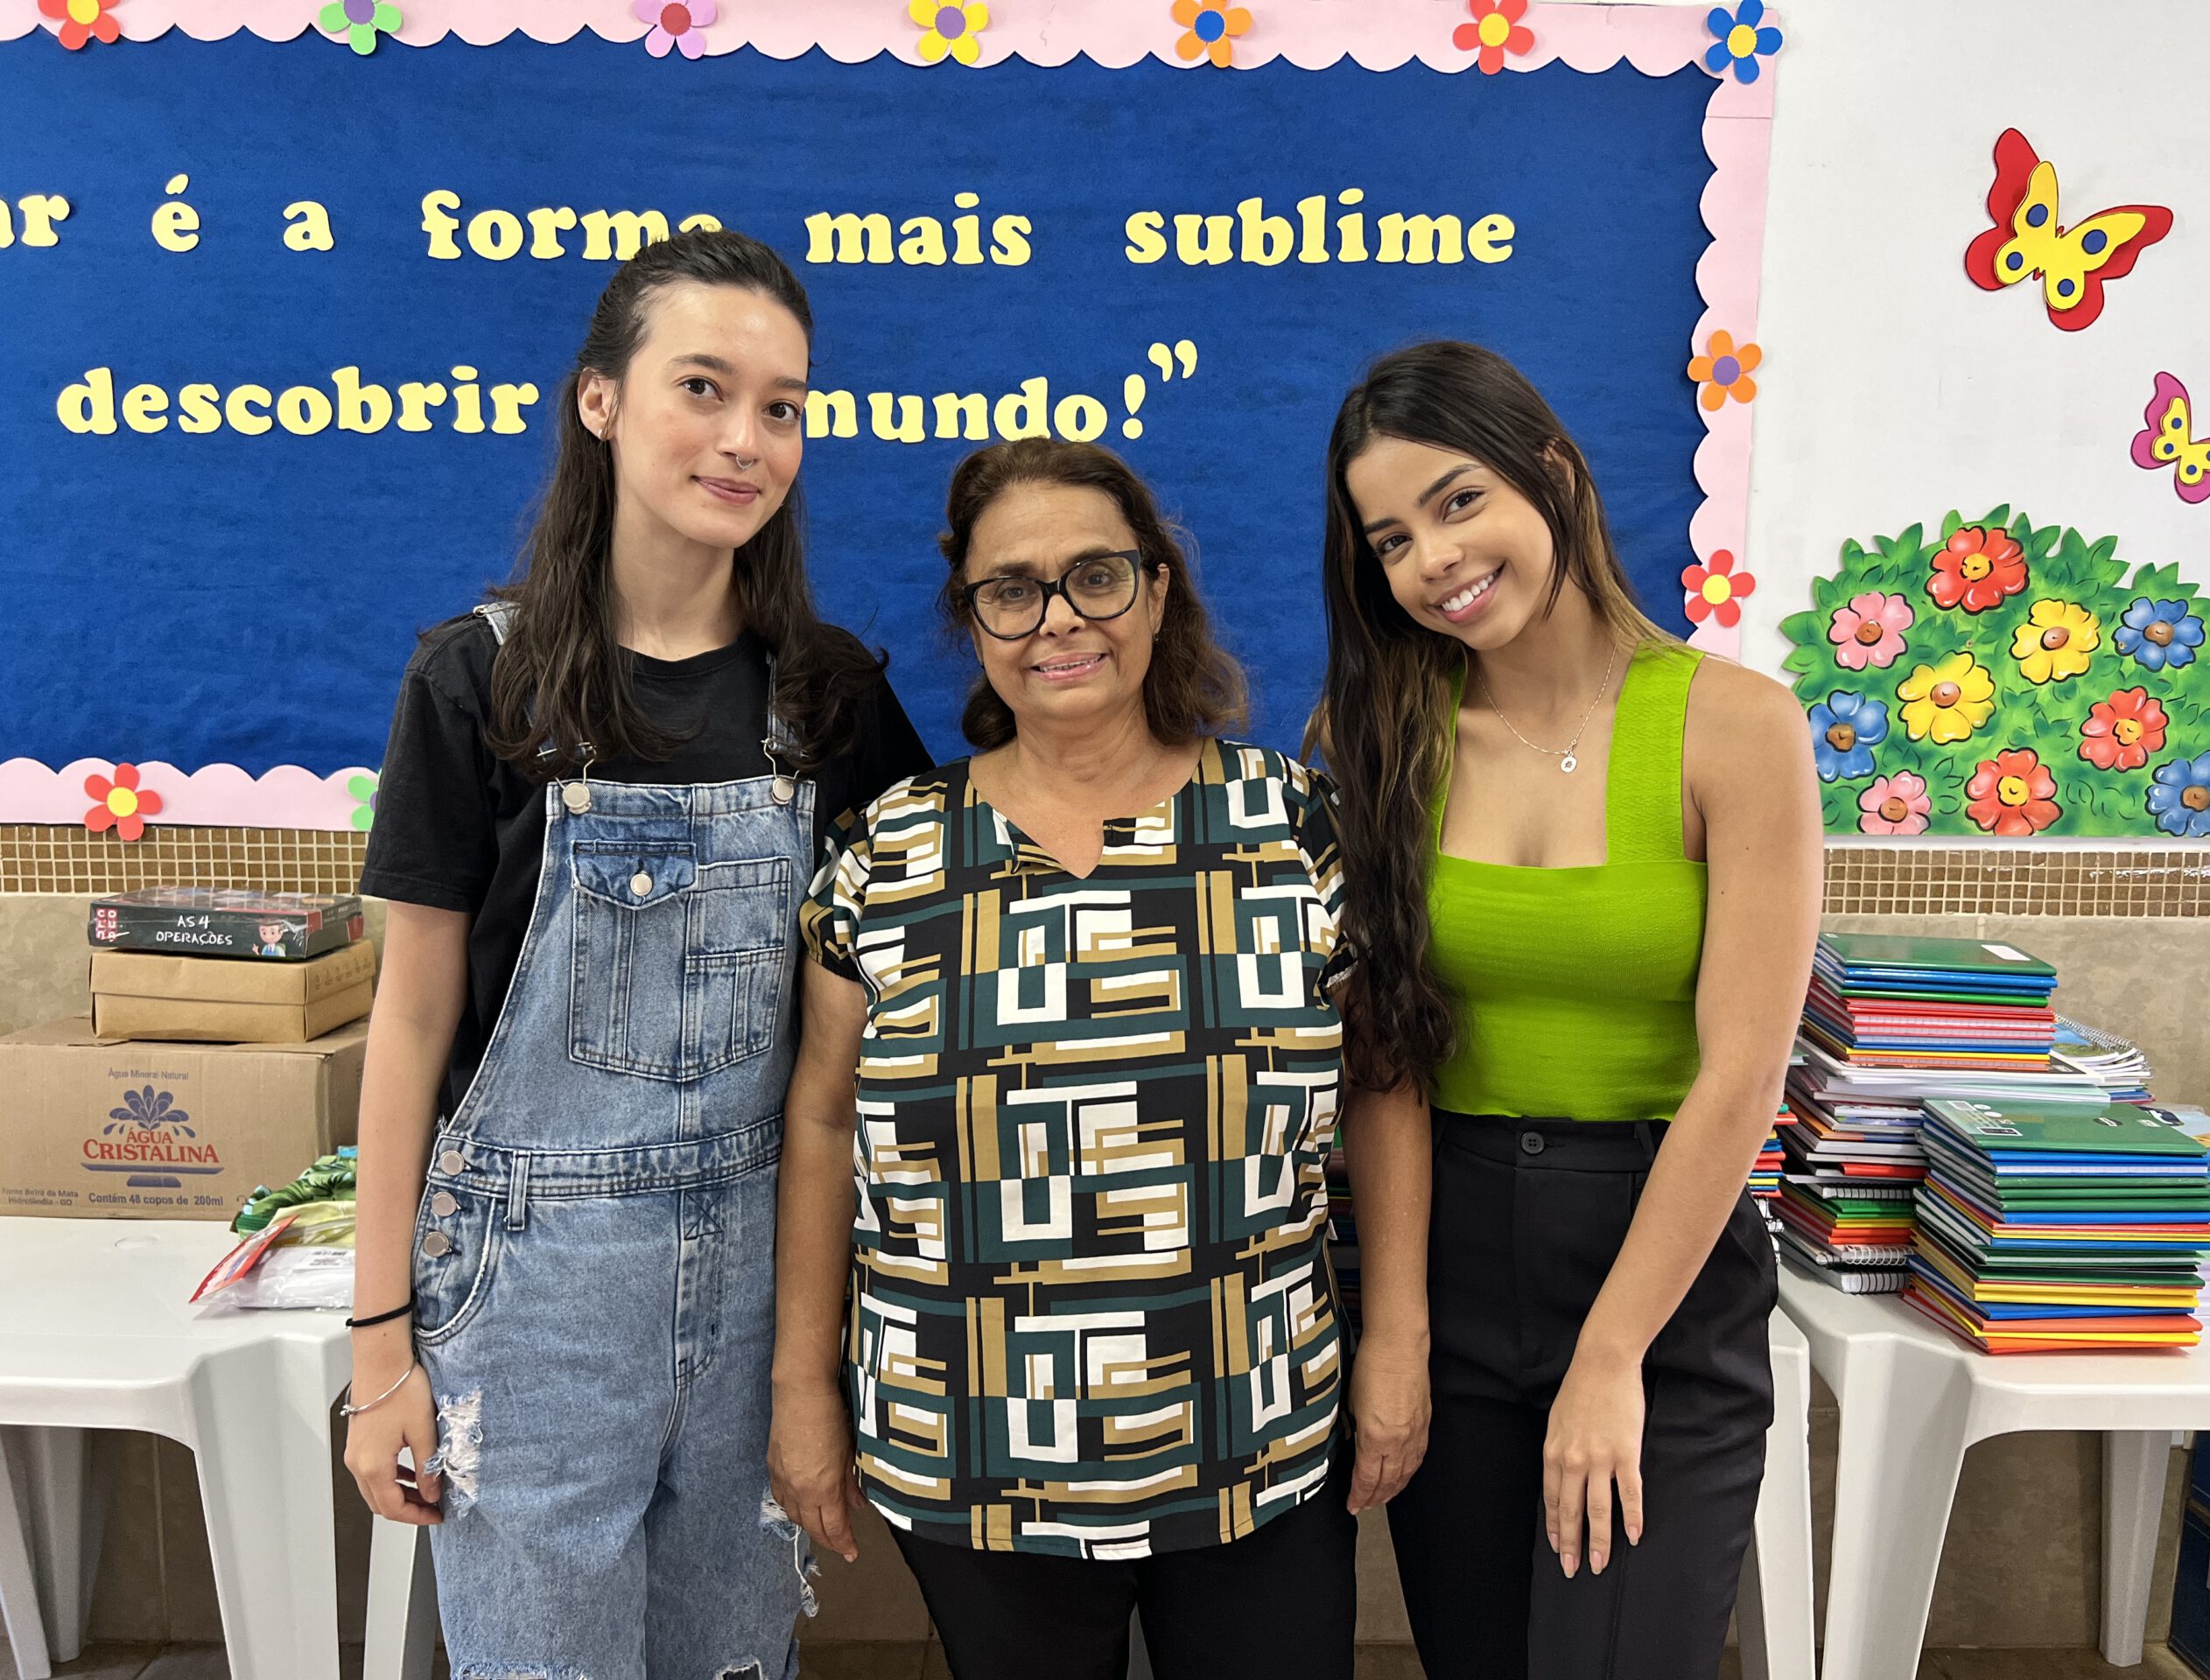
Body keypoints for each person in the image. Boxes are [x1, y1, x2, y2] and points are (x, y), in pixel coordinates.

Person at [343, 229, 929, 1679]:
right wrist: (378, 1351)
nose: (746, 440)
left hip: (764, 1289)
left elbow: (920, 967)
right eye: (704, 389)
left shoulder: (829, 694)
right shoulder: (475, 682)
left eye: (783, 406)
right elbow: (407, 1028)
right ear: (600, 400)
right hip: (527, 1300)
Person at [767, 438, 1421, 1680]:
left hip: (1254, 1429)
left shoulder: (1292, 827)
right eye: (1011, 590)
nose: (1058, 619)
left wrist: (1399, 1343)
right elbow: (820, 1119)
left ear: (1159, 589)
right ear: (972, 619)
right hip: (971, 1445)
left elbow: (1386, 1087)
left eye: (1097, 576)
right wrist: (804, 1387)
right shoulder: (887, 852)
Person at [1311, 341, 1821, 1679]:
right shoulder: (1369, 736)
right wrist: (1398, 1336)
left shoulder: (1737, 727)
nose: (1433, 556)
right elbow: (1388, 1063)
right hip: (1449, 1250)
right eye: (1391, 536)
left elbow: (1740, 1077)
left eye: (1458, 500)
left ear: (1555, 472)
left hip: (1660, 1264)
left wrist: (1612, 1358)